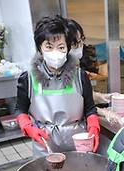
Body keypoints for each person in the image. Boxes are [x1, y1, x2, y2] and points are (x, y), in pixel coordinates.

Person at [16, 16, 100, 154]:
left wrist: (94, 127)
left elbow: (90, 108)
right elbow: (20, 109)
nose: (55, 52)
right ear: (40, 48)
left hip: (78, 142)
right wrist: (28, 127)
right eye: (49, 46)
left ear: (67, 48)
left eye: (61, 47)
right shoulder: (28, 78)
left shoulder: (80, 76)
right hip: (44, 143)